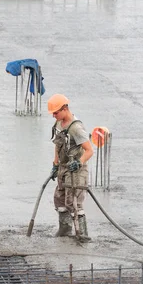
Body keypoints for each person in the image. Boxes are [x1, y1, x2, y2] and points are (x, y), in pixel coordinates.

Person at [48, 94, 94, 241]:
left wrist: (79, 162)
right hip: (63, 167)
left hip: (76, 170)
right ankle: (65, 230)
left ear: (65, 109)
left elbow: (89, 150)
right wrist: (55, 164)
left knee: (74, 202)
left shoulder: (76, 128)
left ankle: (82, 234)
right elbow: (57, 145)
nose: (54, 116)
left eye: (56, 112)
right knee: (59, 199)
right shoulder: (58, 124)